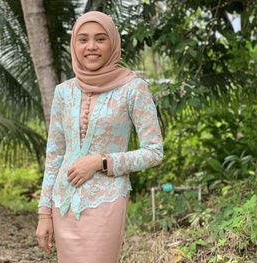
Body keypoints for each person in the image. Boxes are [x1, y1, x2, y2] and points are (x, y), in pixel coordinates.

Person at [35, 11, 163, 263]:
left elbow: (154, 152)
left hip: (105, 202)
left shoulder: (133, 88)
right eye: (83, 39)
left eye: (100, 39)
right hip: (63, 202)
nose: (91, 47)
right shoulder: (64, 92)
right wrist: (44, 214)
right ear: (75, 45)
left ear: (113, 43)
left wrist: (101, 162)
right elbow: (54, 156)